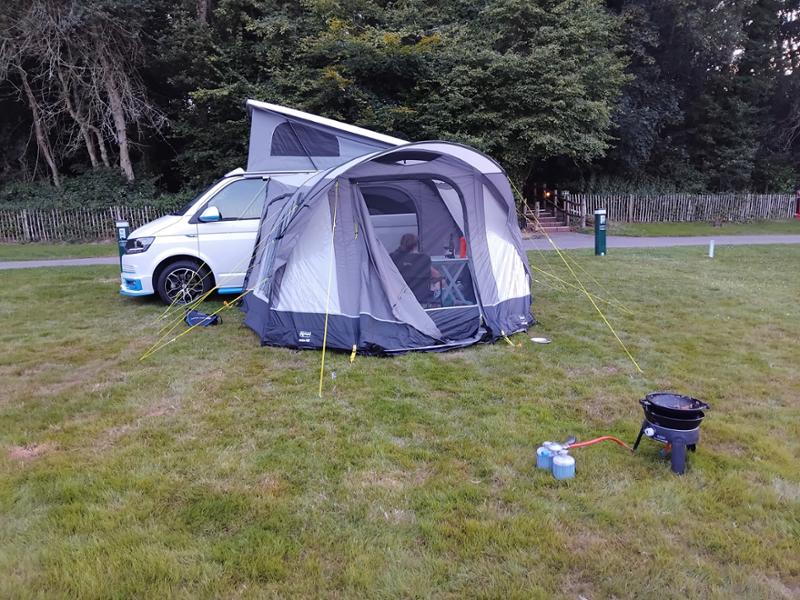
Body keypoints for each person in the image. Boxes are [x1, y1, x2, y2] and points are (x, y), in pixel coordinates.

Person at [390, 233, 441, 304]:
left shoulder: (394, 257)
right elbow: (437, 275)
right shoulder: (423, 259)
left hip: (399, 295)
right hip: (421, 296)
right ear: (416, 245)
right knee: (439, 281)